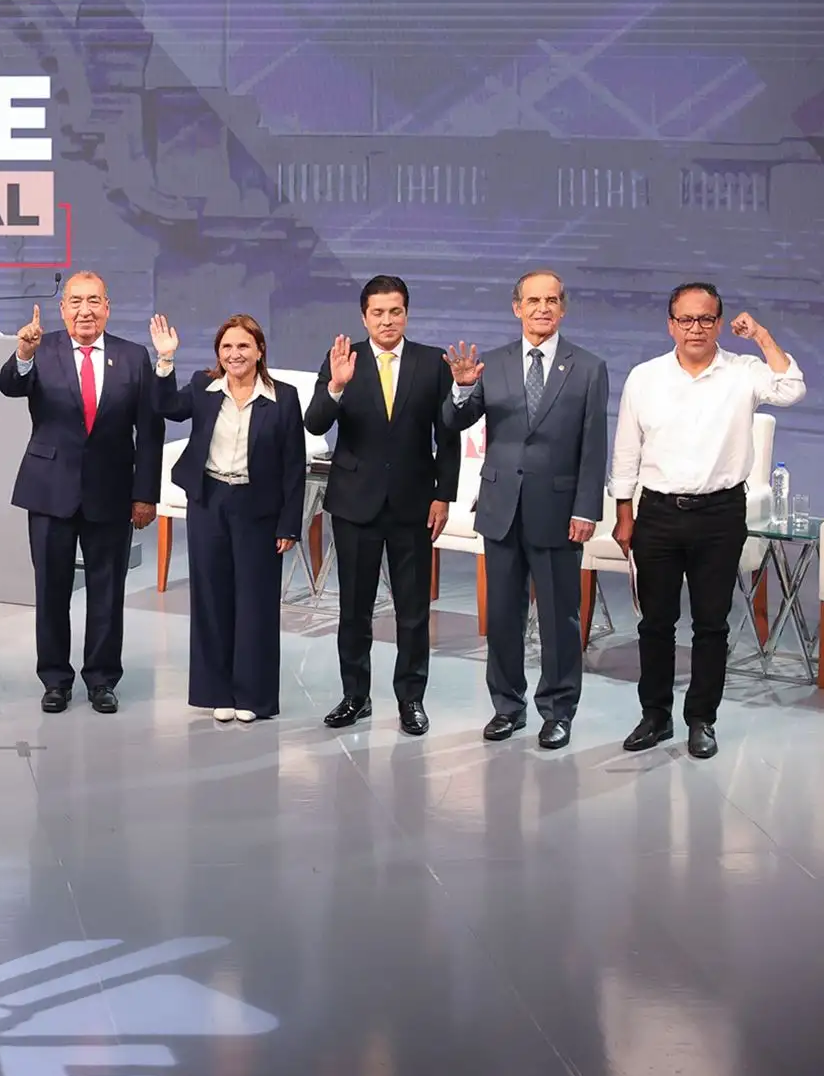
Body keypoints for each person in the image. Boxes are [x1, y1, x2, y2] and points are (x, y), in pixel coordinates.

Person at [611, 283, 804, 759]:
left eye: (705, 319)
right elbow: (626, 450)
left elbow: (792, 388)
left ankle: (702, 719)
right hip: (657, 513)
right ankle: (655, 716)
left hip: (720, 514)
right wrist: (623, 513)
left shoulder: (744, 372)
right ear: (670, 324)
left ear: (719, 324)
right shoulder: (645, 377)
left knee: (711, 624)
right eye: (685, 319)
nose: (695, 328)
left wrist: (760, 335)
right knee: (656, 623)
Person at [441, 271, 609, 751]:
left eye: (551, 300)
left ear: (563, 308)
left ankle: (558, 711)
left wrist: (586, 509)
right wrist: (460, 389)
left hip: (558, 511)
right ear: (517, 308)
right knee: (502, 617)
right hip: (501, 510)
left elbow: (593, 446)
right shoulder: (491, 364)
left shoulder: (588, 368)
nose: (542, 308)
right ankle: (507, 707)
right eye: (533, 300)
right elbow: (455, 420)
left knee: (559, 619)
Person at [0, 271, 163, 714]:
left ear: (107, 307)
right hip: (49, 489)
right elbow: (10, 386)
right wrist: (23, 354)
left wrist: (145, 494)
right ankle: (55, 680)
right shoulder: (40, 347)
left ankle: (102, 679)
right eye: (75, 301)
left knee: (107, 591)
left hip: (112, 491)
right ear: (62, 308)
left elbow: (149, 431)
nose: (84, 311)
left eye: (93, 301)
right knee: (51, 590)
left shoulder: (133, 357)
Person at [304, 274, 460, 735]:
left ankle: (411, 699)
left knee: (413, 611)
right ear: (364, 317)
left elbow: (447, 436)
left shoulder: (432, 362)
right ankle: (355, 696)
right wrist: (335, 387)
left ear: (406, 314)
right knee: (354, 609)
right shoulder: (342, 359)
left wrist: (443, 495)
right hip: (355, 503)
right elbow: (315, 423)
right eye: (378, 313)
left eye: (395, 311)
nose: (387, 320)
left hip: (414, 504)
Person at [149, 313, 304, 721]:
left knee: (255, 603)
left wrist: (289, 523)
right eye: (227, 347)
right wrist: (165, 359)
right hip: (210, 501)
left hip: (258, 507)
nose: (235, 354)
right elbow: (166, 406)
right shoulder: (204, 387)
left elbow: (293, 465)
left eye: (243, 346)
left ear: (260, 351)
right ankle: (216, 691)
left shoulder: (283, 397)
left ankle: (253, 697)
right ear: (218, 353)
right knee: (211, 598)